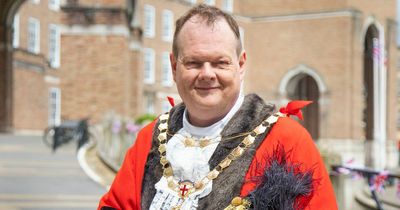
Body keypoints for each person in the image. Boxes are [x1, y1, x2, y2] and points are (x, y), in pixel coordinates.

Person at [98, 4, 337, 210]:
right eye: (193, 62)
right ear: (174, 66)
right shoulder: (150, 137)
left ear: (241, 65)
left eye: (220, 63)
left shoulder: (286, 142)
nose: (207, 74)